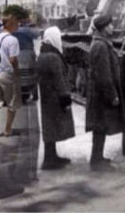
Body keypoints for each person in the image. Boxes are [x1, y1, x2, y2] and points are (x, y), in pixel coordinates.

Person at [86, 14, 125, 172]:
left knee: (100, 128)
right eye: (110, 25)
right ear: (103, 28)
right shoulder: (101, 46)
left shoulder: (100, 43)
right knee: (100, 127)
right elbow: (104, 75)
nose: (112, 28)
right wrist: (112, 95)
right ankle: (96, 162)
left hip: (98, 94)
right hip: (101, 95)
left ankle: (98, 158)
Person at [37, 26, 75, 170]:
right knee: (53, 127)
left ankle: (51, 156)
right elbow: (59, 79)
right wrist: (65, 97)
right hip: (55, 98)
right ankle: (49, 160)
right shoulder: (53, 57)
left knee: (50, 128)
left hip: (47, 98)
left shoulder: (43, 54)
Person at [0, 14, 21, 137]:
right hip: (8, 74)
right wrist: (17, 72)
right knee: (12, 103)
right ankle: (8, 129)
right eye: (17, 24)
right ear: (11, 25)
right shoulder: (13, 40)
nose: (18, 26)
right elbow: (13, 59)